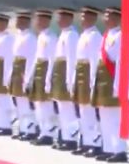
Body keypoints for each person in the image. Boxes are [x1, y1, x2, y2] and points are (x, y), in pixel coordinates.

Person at [91, 7, 126, 162]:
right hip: (103, 79)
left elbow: (120, 62)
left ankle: (120, 150)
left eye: (109, 16)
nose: (106, 19)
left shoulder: (120, 36)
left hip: (113, 79)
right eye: (105, 16)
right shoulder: (106, 35)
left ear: (117, 18)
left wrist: (118, 85)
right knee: (104, 116)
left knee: (115, 117)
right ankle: (108, 148)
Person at [26, 9, 59, 146]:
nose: (37, 22)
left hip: (46, 71)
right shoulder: (40, 37)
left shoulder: (51, 37)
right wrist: (29, 77)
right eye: (36, 20)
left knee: (46, 106)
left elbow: (52, 59)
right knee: (38, 104)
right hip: (39, 71)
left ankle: (49, 134)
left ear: (46, 21)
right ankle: (43, 132)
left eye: (40, 20)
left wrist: (48, 79)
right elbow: (36, 59)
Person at [72, 7, 102, 156]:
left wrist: (92, 81)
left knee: (90, 113)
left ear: (93, 19)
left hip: (88, 75)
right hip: (81, 75)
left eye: (85, 17)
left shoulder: (95, 36)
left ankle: (95, 144)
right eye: (81, 17)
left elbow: (94, 60)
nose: (82, 19)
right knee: (82, 112)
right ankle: (86, 142)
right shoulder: (83, 35)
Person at [50, 8, 80, 151]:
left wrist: (70, 80)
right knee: (62, 109)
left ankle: (71, 139)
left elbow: (72, 59)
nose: (58, 20)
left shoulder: (72, 36)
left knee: (68, 110)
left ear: (69, 19)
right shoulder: (64, 34)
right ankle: (65, 137)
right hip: (60, 73)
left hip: (65, 74)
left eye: (61, 17)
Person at [10, 12, 38, 141]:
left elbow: (31, 59)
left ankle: (30, 129)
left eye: (20, 20)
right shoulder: (18, 36)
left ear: (26, 22)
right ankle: (22, 128)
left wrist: (27, 78)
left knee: (26, 104)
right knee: (19, 103)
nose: (17, 22)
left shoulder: (30, 37)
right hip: (16, 70)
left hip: (23, 70)